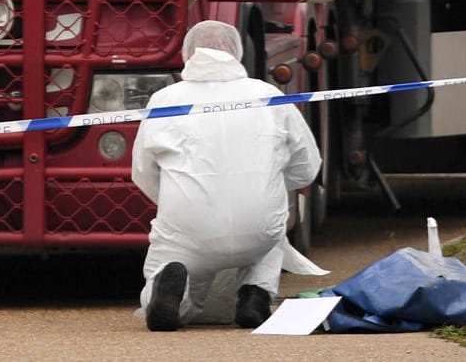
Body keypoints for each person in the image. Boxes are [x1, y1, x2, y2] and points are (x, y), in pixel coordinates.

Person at [131, 20, 323, 332]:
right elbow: (308, 167)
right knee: (273, 232)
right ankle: (255, 293)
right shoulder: (267, 95)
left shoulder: (165, 101)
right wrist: (269, 183)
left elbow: (142, 173)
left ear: (187, 55)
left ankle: (167, 295)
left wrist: (175, 198)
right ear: (237, 53)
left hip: (188, 229)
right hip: (258, 229)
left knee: (168, 263)